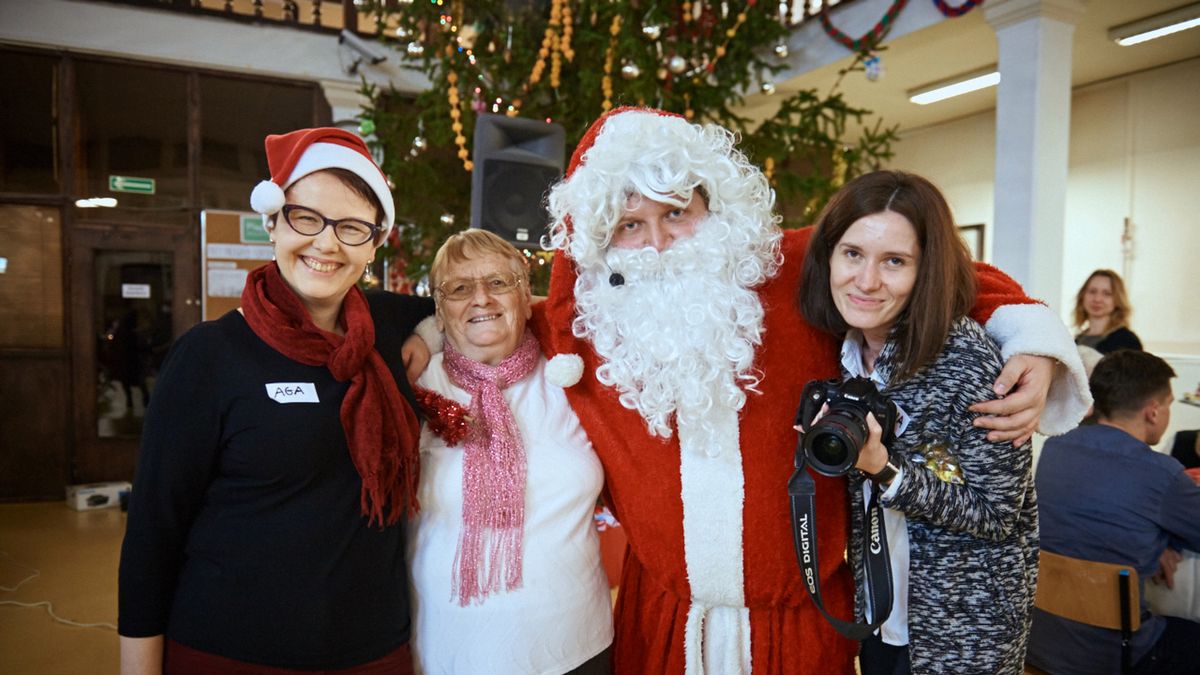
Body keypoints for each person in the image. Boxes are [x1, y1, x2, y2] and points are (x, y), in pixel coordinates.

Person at [531, 107, 1091, 673]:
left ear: (711, 205)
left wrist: (1032, 342)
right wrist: (431, 333)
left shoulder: (790, 265)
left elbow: (949, 277)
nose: (656, 242)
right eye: (630, 225)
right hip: (663, 622)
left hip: (805, 618)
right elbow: (481, 317)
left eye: (676, 212)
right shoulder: (589, 319)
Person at [118, 128, 432, 673]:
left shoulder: (383, 330)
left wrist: (428, 336)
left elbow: (483, 304)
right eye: (305, 218)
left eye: (352, 227)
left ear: (375, 243)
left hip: (374, 648)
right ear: (273, 222)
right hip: (232, 648)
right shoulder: (210, 357)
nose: (327, 244)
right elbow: (152, 533)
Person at [798, 170, 1040, 674]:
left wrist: (885, 470)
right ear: (828, 255)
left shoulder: (967, 362)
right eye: (853, 254)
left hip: (963, 628)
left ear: (925, 270)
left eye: (894, 262)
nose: (866, 281)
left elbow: (997, 514)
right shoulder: (844, 354)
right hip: (881, 609)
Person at [405, 229, 613, 674]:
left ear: (526, 299)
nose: (481, 298)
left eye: (499, 283)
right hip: (447, 649)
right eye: (459, 288)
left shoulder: (573, 379)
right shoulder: (413, 386)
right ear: (439, 314)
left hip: (576, 645)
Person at [1028, 350, 1200, 675]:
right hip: (1114, 653)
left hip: (1042, 640)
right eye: (1169, 404)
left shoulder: (1056, 448)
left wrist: (1161, 538)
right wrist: (1167, 536)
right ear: (1153, 411)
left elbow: (1099, 517)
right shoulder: (1162, 474)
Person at [1073, 269, 1143, 353]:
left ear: (1118, 300)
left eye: (1107, 293)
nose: (1097, 299)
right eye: (1092, 291)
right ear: (1082, 296)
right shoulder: (1078, 340)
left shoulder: (1128, 341)